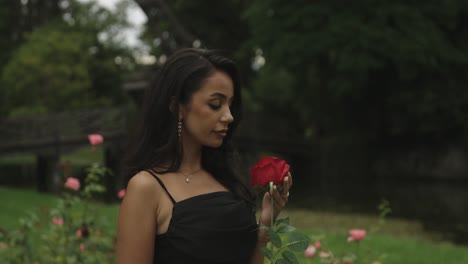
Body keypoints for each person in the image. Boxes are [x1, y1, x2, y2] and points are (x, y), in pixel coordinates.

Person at [117, 48, 293, 264]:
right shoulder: (146, 187)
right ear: (177, 107)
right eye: (215, 104)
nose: (228, 116)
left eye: (230, 104)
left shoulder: (229, 179)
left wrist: (266, 222)